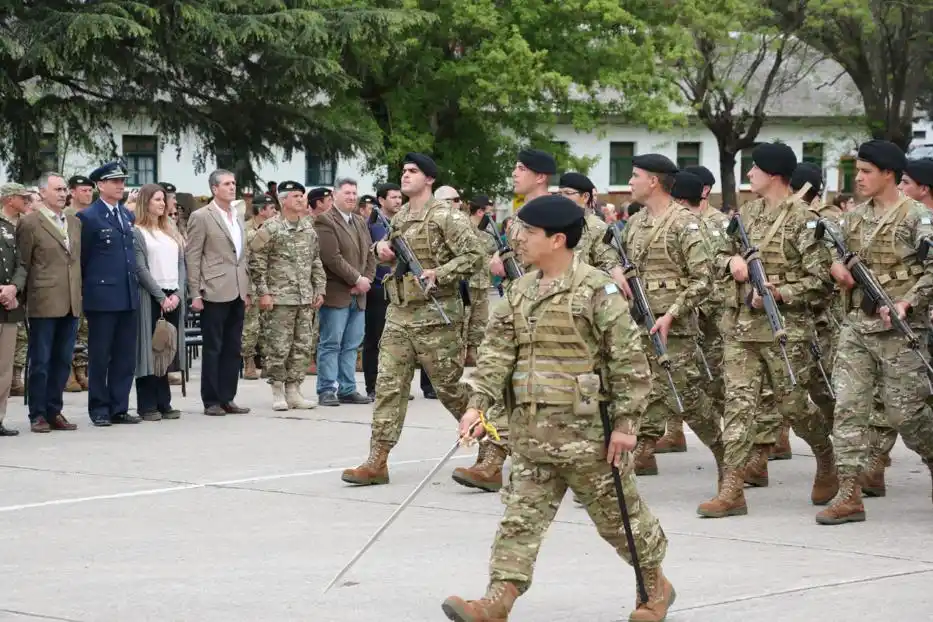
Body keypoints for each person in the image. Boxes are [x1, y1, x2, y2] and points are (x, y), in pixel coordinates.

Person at [442, 195, 673, 622]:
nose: (520, 239)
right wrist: (478, 406)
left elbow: (630, 364)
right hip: (529, 433)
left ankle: (654, 587)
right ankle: (497, 601)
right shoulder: (518, 289)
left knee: (620, 522)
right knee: (519, 521)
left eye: (529, 233)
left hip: (589, 437)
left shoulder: (597, 290)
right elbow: (496, 355)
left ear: (558, 239)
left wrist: (626, 425)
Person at [700, 143, 835, 519]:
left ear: (774, 174)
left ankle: (826, 455)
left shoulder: (804, 219)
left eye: (754, 169)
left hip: (785, 329)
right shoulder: (748, 213)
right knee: (739, 406)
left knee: (792, 404)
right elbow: (717, 254)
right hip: (742, 328)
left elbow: (822, 281)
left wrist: (779, 292)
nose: (748, 175)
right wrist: (732, 262)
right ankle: (731, 490)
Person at [341, 152, 484, 486]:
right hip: (400, 314)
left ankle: (492, 441)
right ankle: (377, 460)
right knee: (388, 387)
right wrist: (381, 250)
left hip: (436, 317)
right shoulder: (401, 215)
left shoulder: (447, 216)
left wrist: (441, 272)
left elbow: (475, 256)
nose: (405, 176)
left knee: (449, 389)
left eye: (413, 171)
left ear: (429, 179)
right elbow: (384, 249)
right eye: (403, 171)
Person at [817, 140, 933, 525]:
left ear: (889, 174)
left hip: (900, 330)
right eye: (858, 171)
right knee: (849, 408)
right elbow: (833, 254)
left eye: (866, 171)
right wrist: (836, 268)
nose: (859, 178)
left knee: (906, 414)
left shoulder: (917, 216)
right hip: (857, 328)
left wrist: (907, 302)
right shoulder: (853, 218)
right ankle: (849, 494)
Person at [620, 155, 724, 481]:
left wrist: (672, 314)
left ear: (653, 181)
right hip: (639, 325)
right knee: (639, 395)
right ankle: (631, 463)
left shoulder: (684, 223)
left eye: (635, 176)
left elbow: (703, 279)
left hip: (674, 332)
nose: (630, 182)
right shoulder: (636, 223)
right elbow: (625, 264)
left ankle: (727, 454)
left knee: (687, 399)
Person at [249, 181, 326, 410]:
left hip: (304, 298)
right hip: (280, 298)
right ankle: (277, 391)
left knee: (302, 345)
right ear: (283, 201)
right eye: (295, 196)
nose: (301, 200)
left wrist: (319, 289)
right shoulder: (270, 228)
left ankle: (294, 389)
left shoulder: (308, 228)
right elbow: (256, 263)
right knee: (278, 346)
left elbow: (315, 261)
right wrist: (263, 293)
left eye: (302, 196)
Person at [17, 172, 82, 433]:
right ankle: (38, 413)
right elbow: (24, 262)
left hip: (70, 300)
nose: (63, 193)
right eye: (57, 189)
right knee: (41, 360)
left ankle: (55, 410)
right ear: (42, 193)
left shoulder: (75, 223)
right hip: (44, 300)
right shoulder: (31, 223)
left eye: (65, 189)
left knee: (63, 360)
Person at [185, 169, 252, 417]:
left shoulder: (237, 215)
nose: (232, 187)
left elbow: (242, 256)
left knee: (233, 347)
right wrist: (195, 293)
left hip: (237, 288)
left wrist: (247, 290)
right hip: (213, 289)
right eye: (226, 184)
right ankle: (211, 399)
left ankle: (228, 397)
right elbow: (193, 256)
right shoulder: (202, 216)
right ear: (214, 189)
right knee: (214, 346)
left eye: (233, 183)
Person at [78, 163, 140, 426]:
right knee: (101, 356)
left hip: (127, 294)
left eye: (122, 180)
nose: (120, 185)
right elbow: (83, 260)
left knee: (125, 357)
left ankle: (119, 407)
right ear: (100, 185)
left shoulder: (126, 216)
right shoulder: (89, 217)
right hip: (102, 297)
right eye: (114, 181)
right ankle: (100, 408)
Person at [315, 178, 375, 406]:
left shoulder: (359, 221)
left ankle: (348, 388)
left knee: (351, 344)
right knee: (331, 343)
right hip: (337, 292)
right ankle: (327, 388)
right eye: (347, 193)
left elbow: (370, 254)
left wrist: (367, 279)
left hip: (359, 293)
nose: (351, 197)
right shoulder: (324, 220)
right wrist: (357, 278)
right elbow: (332, 258)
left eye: (354, 193)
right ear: (334, 194)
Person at [131, 184, 186, 421]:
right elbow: (140, 267)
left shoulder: (170, 229)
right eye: (156, 200)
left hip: (173, 295)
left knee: (166, 351)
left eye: (163, 199)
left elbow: (181, 264)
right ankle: (147, 404)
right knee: (149, 351)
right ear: (145, 202)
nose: (162, 204)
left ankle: (165, 402)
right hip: (151, 296)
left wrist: (178, 293)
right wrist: (161, 297)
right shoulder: (137, 231)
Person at [362, 183, 406, 400]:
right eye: (393, 197)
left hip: (400, 288)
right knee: (375, 339)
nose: (398, 201)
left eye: (400, 197)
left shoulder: (403, 222)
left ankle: (395, 385)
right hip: (378, 287)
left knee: (398, 341)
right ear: (381, 200)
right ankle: (373, 386)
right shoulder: (373, 226)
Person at [0, 183, 30, 436]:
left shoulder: (13, 228)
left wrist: (13, 289)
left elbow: (21, 264)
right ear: (10, 199)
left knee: (4, 366)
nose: (27, 200)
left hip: (8, 306)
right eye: (23, 197)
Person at [64, 175, 95, 393]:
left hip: (89, 277)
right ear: (72, 192)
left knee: (85, 328)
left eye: (89, 190)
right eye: (83, 190)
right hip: (70, 278)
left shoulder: (92, 214)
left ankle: (81, 370)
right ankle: (68, 374)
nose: (88, 194)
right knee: (70, 328)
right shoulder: (66, 216)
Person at [241, 193, 277, 380]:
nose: (275, 212)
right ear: (261, 210)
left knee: (269, 326)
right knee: (251, 327)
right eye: (271, 208)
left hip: (272, 284)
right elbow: (245, 262)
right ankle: (248, 361)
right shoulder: (245, 230)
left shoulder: (274, 228)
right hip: (253, 285)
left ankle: (266, 362)